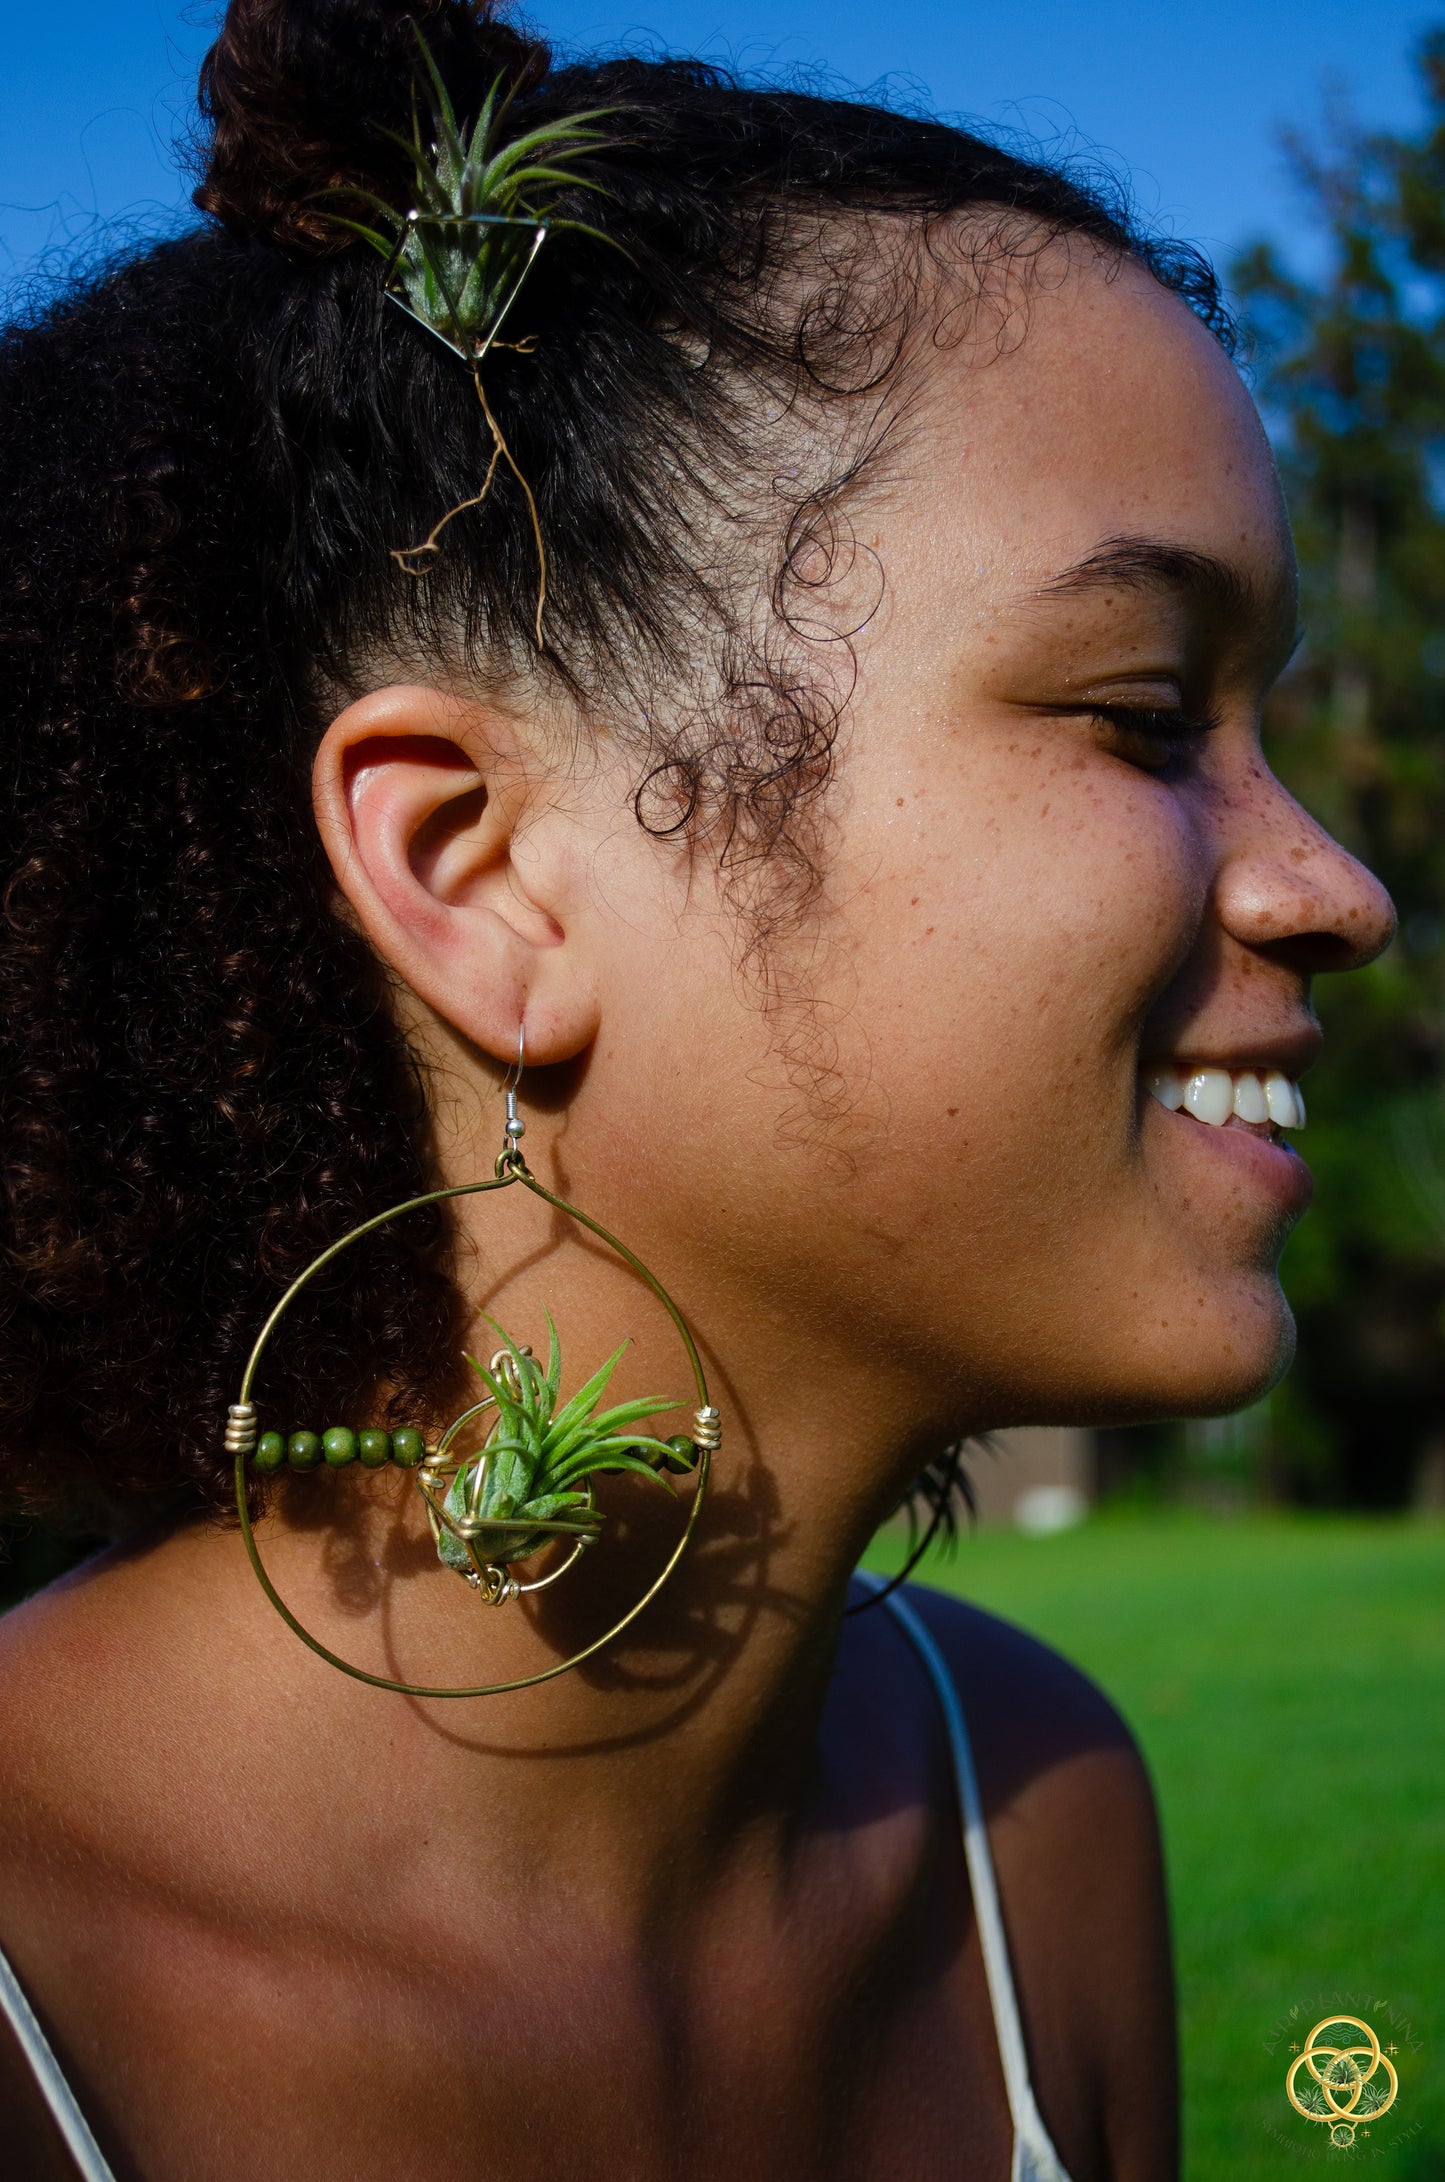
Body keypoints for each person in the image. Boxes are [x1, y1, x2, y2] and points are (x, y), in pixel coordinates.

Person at [0, 2, 1394, 2176]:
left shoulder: (1034, 1827)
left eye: (1265, 724)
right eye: (1142, 713)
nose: (1337, 885)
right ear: (480, 865)